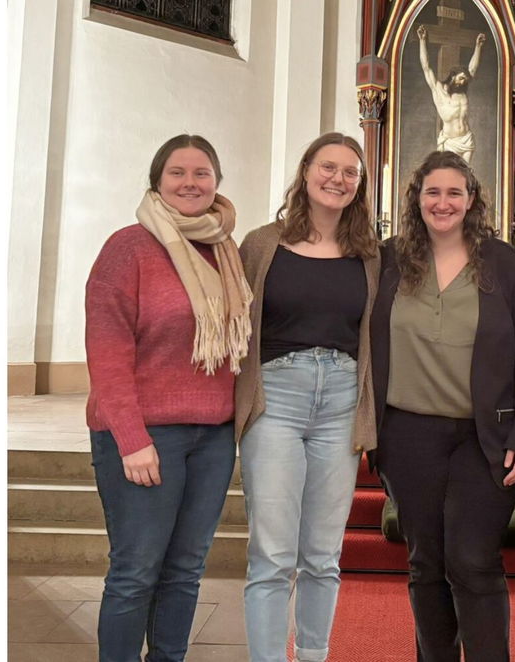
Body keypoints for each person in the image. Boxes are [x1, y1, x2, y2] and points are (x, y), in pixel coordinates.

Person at [84, 134, 251, 662]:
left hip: (212, 437)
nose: (190, 183)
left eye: (201, 173)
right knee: (136, 570)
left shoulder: (225, 250)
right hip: (143, 436)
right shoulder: (127, 247)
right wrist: (132, 439)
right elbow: (107, 351)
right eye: (177, 172)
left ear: (217, 182)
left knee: (185, 569)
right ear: (157, 181)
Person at [369, 151, 515, 662]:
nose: (443, 203)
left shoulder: (505, 262)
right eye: (432, 192)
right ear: (416, 199)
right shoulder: (388, 259)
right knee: (425, 562)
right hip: (406, 435)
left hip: (483, 437)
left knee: (473, 560)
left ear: (471, 200)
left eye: (454, 193)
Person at [233, 132, 380, 662]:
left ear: (360, 185)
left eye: (350, 172)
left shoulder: (370, 255)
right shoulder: (261, 243)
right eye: (328, 167)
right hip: (276, 399)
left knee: (322, 554)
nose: (338, 179)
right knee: (272, 553)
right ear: (306, 171)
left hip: (341, 402)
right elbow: (234, 327)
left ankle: (314, 654)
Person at [417, 26, 485, 161]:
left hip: (466, 139)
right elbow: (426, 66)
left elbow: (472, 69)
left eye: (464, 80)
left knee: (465, 177)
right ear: (453, 77)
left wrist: (478, 46)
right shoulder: (439, 90)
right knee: (449, 175)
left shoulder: (462, 90)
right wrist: (422, 41)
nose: (462, 82)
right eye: (460, 78)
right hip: (450, 143)